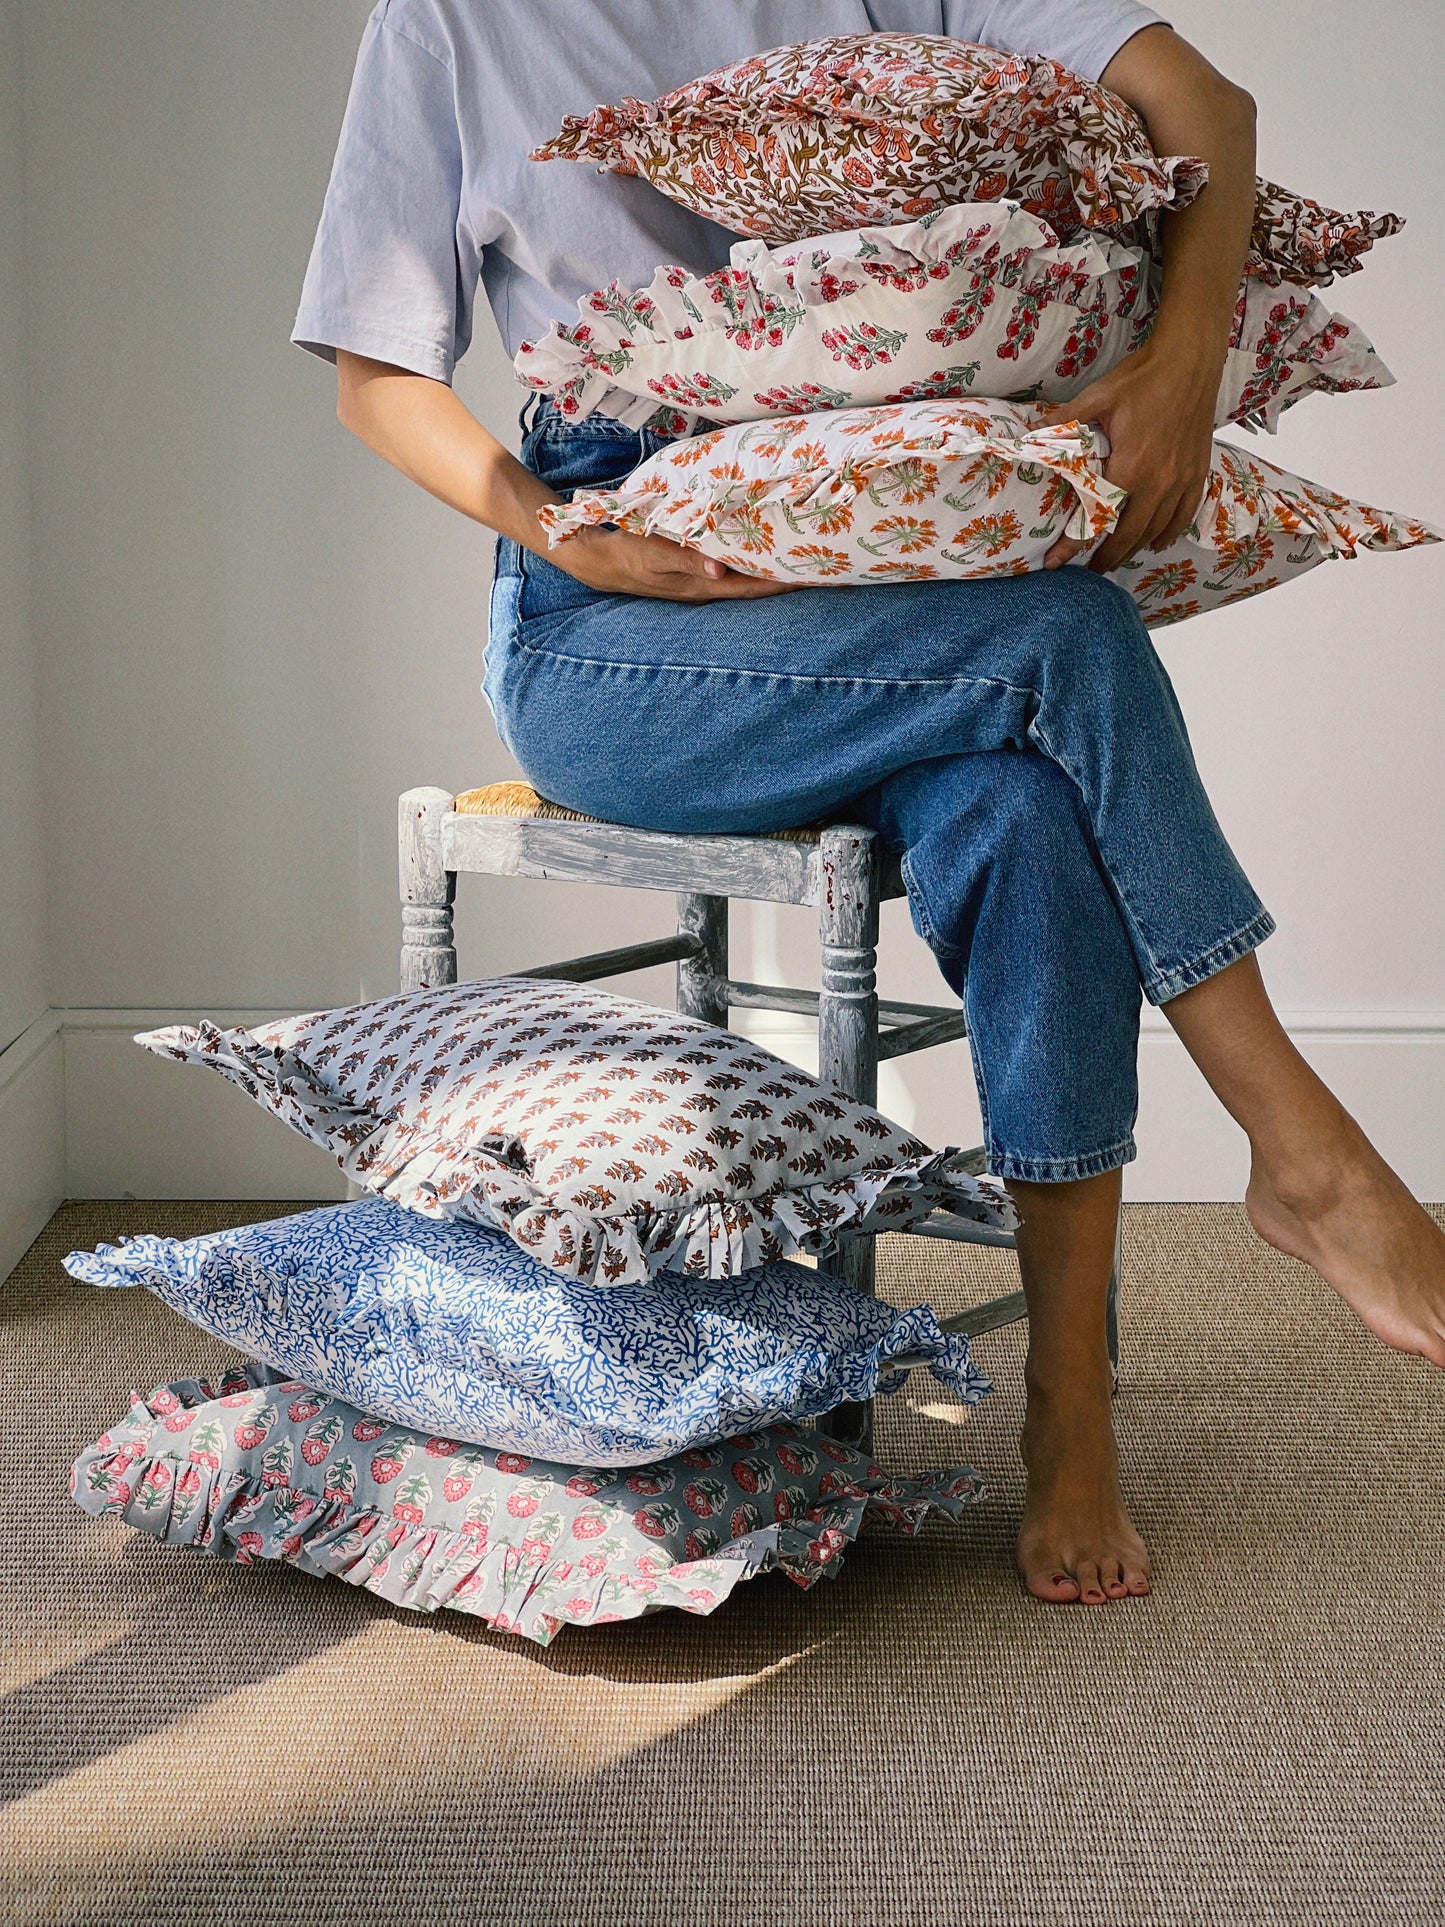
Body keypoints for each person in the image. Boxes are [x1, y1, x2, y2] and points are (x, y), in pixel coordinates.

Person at [291, 0, 1445, 1607]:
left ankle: (1067, 1405)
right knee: (1063, 637)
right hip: (617, 639)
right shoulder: (451, 20)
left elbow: (1206, 104)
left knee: (1021, 813)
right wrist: (560, 532)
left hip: (897, 592)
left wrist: (1181, 363)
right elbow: (373, 376)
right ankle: (1301, 1148)